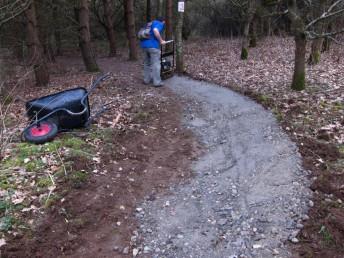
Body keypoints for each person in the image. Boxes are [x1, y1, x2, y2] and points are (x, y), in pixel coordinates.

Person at [140, 17, 166, 87]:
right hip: (153, 46)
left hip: (144, 46)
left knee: (146, 64)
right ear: (163, 21)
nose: (164, 24)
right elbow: (155, 30)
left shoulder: (149, 24)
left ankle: (146, 80)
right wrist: (161, 41)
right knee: (156, 64)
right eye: (164, 23)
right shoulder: (159, 23)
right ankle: (157, 82)